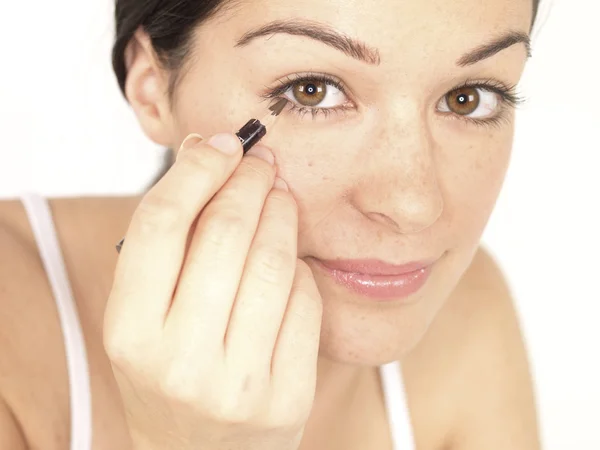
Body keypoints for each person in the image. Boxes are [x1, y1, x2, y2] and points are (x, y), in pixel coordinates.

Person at [0, 0, 547, 448]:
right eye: (313, 90)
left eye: (468, 98)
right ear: (150, 84)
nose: (412, 206)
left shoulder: (464, 317)